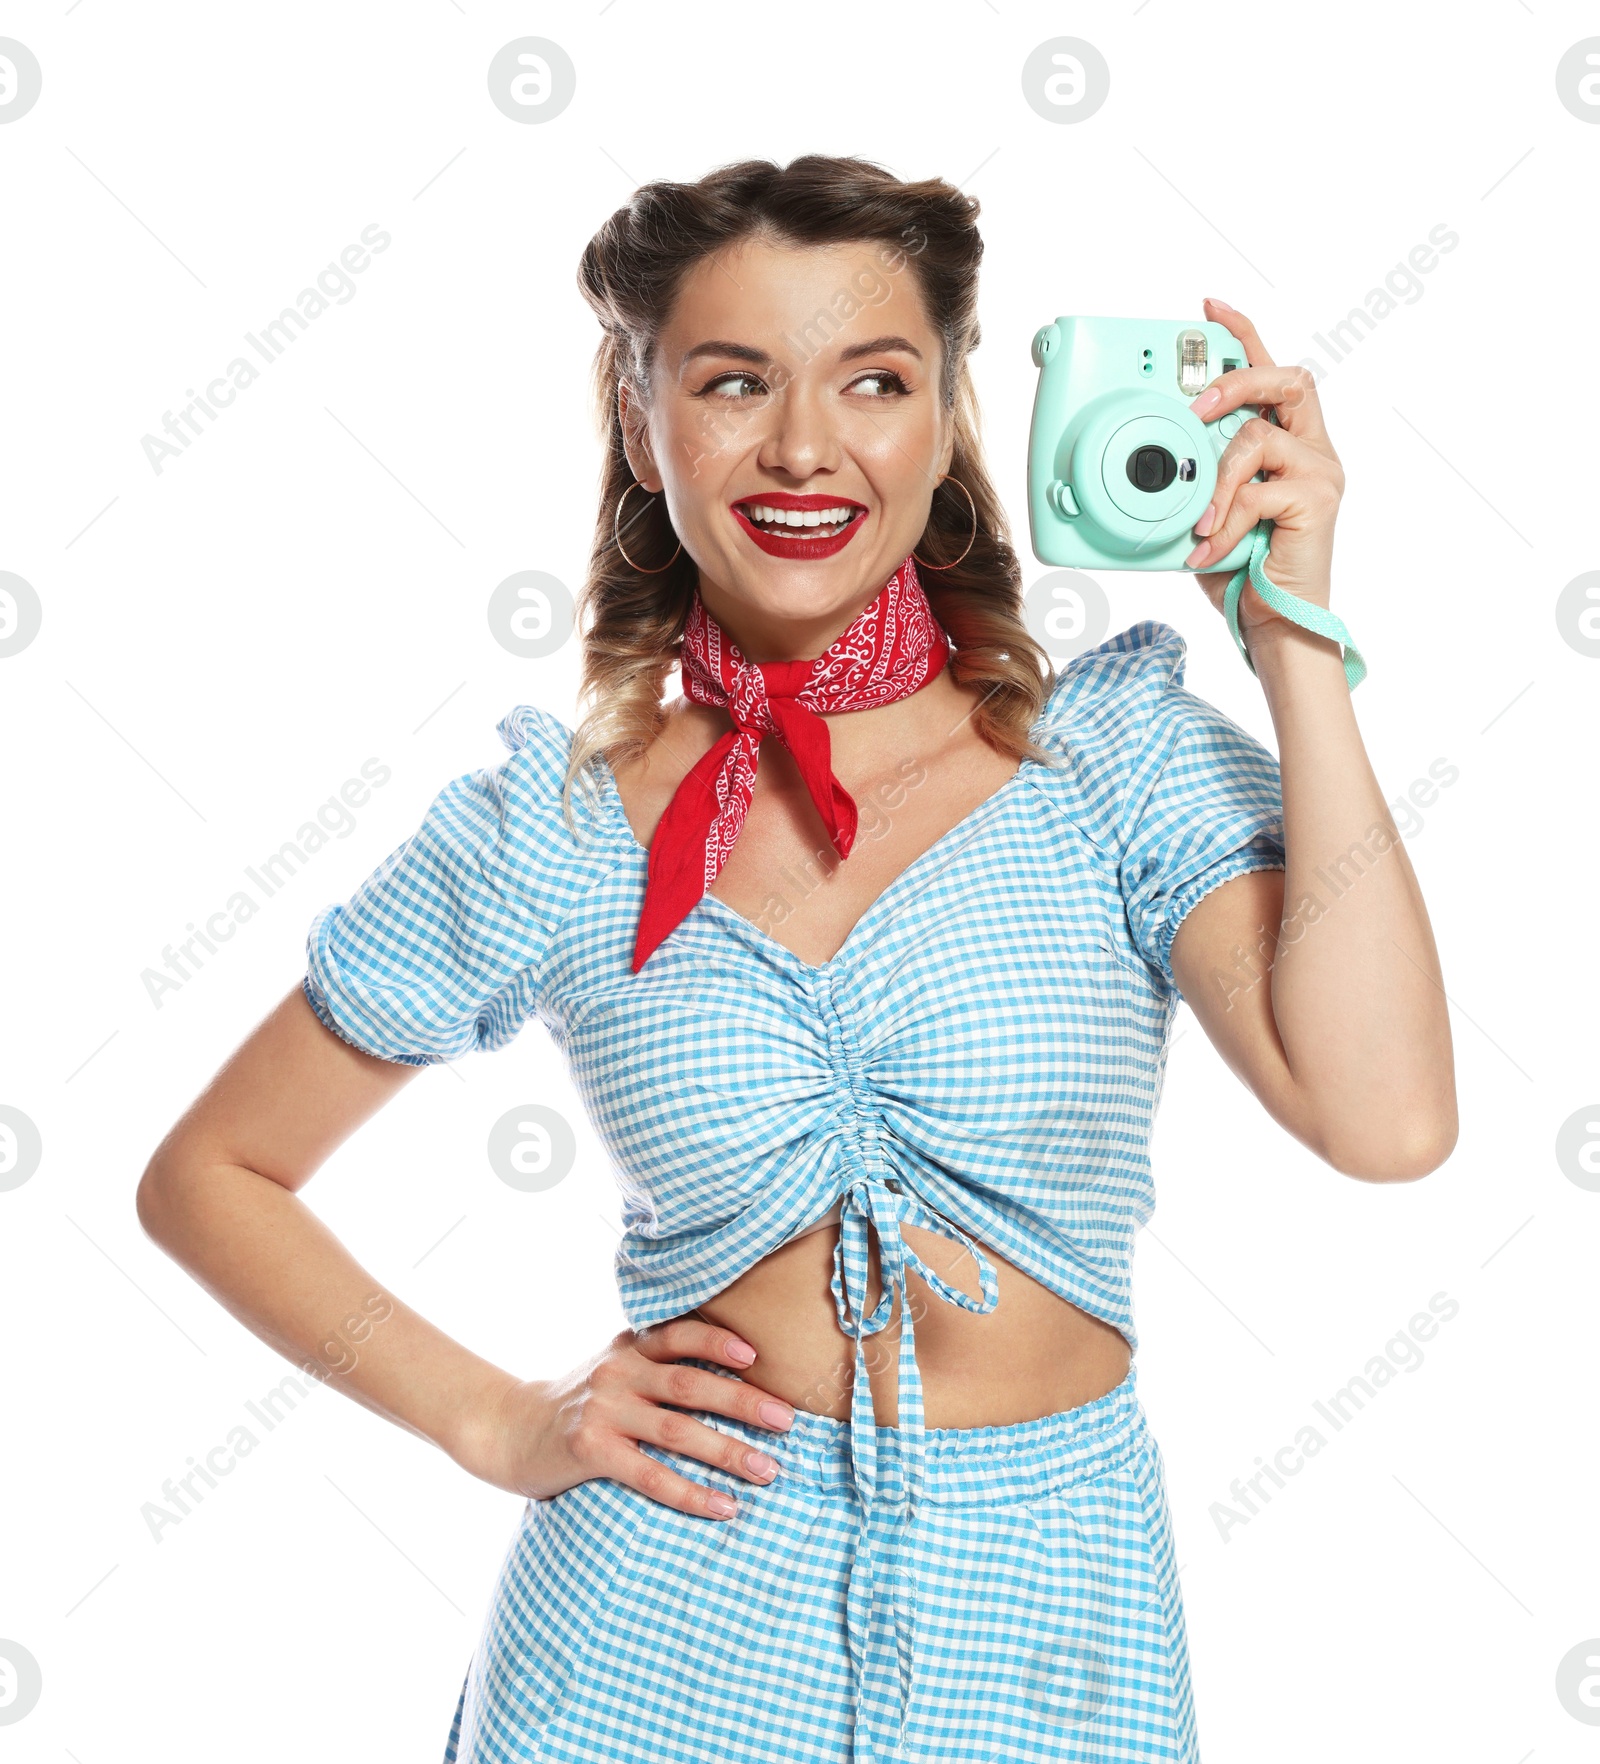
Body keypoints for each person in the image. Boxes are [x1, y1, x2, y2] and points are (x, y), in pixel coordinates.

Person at [136, 155, 1457, 1764]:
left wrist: (1291, 641)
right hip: (647, 1638)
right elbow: (213, 1172)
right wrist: (497, 1419)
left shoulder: (1106, 761)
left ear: (948, 412)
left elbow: (1384, 1120)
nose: (806, 446)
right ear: (641, 420)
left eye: (875, 381)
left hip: (1049, 1628)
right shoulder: (557, 825)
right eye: (733, 381)